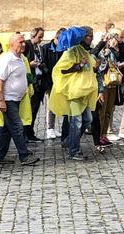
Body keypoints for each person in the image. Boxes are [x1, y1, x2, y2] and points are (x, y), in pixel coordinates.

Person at [0, 33, 40, 165]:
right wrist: (1, 100)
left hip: (16, 99)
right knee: (17, 126)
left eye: (23, 41)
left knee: (7, 129)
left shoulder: (21, 58)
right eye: (20, 42)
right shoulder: (6, 60)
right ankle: (24, 155)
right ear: (11, 44)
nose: (23, 44)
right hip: (7, 99)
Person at [49, 26, 99, 160]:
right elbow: (62, 70)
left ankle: (70, 140)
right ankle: (74, 150)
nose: (91, 38)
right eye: (89, 35)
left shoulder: (82, 51)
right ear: (83, 38)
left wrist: (95, 65)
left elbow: (90, 66)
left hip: (85, 92)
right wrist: (79, 66)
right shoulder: (70, 52)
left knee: (88, 120)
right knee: (76, 121)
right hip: (75, 92)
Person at [41, 28, 65, 138]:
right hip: (49, 81)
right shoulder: (45, 48)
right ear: (56, 37)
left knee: (58, 104)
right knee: (51, 104)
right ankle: (50, 128)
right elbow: (43, 63)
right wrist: (48, 73)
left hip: (60, 81)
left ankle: (54, 128)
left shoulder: (63, 49)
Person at [23, 27, 45, 142]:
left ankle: (30, 133)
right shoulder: (27, 45)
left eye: (42, 37)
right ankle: (27, 134)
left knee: (35, 109)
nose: (41, 39)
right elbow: (22, 60)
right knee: (30, 109)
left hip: (39, 81)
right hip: (31, 81)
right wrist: (29, 64)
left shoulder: (38, 47)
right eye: (39, 36)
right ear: (33, 35)